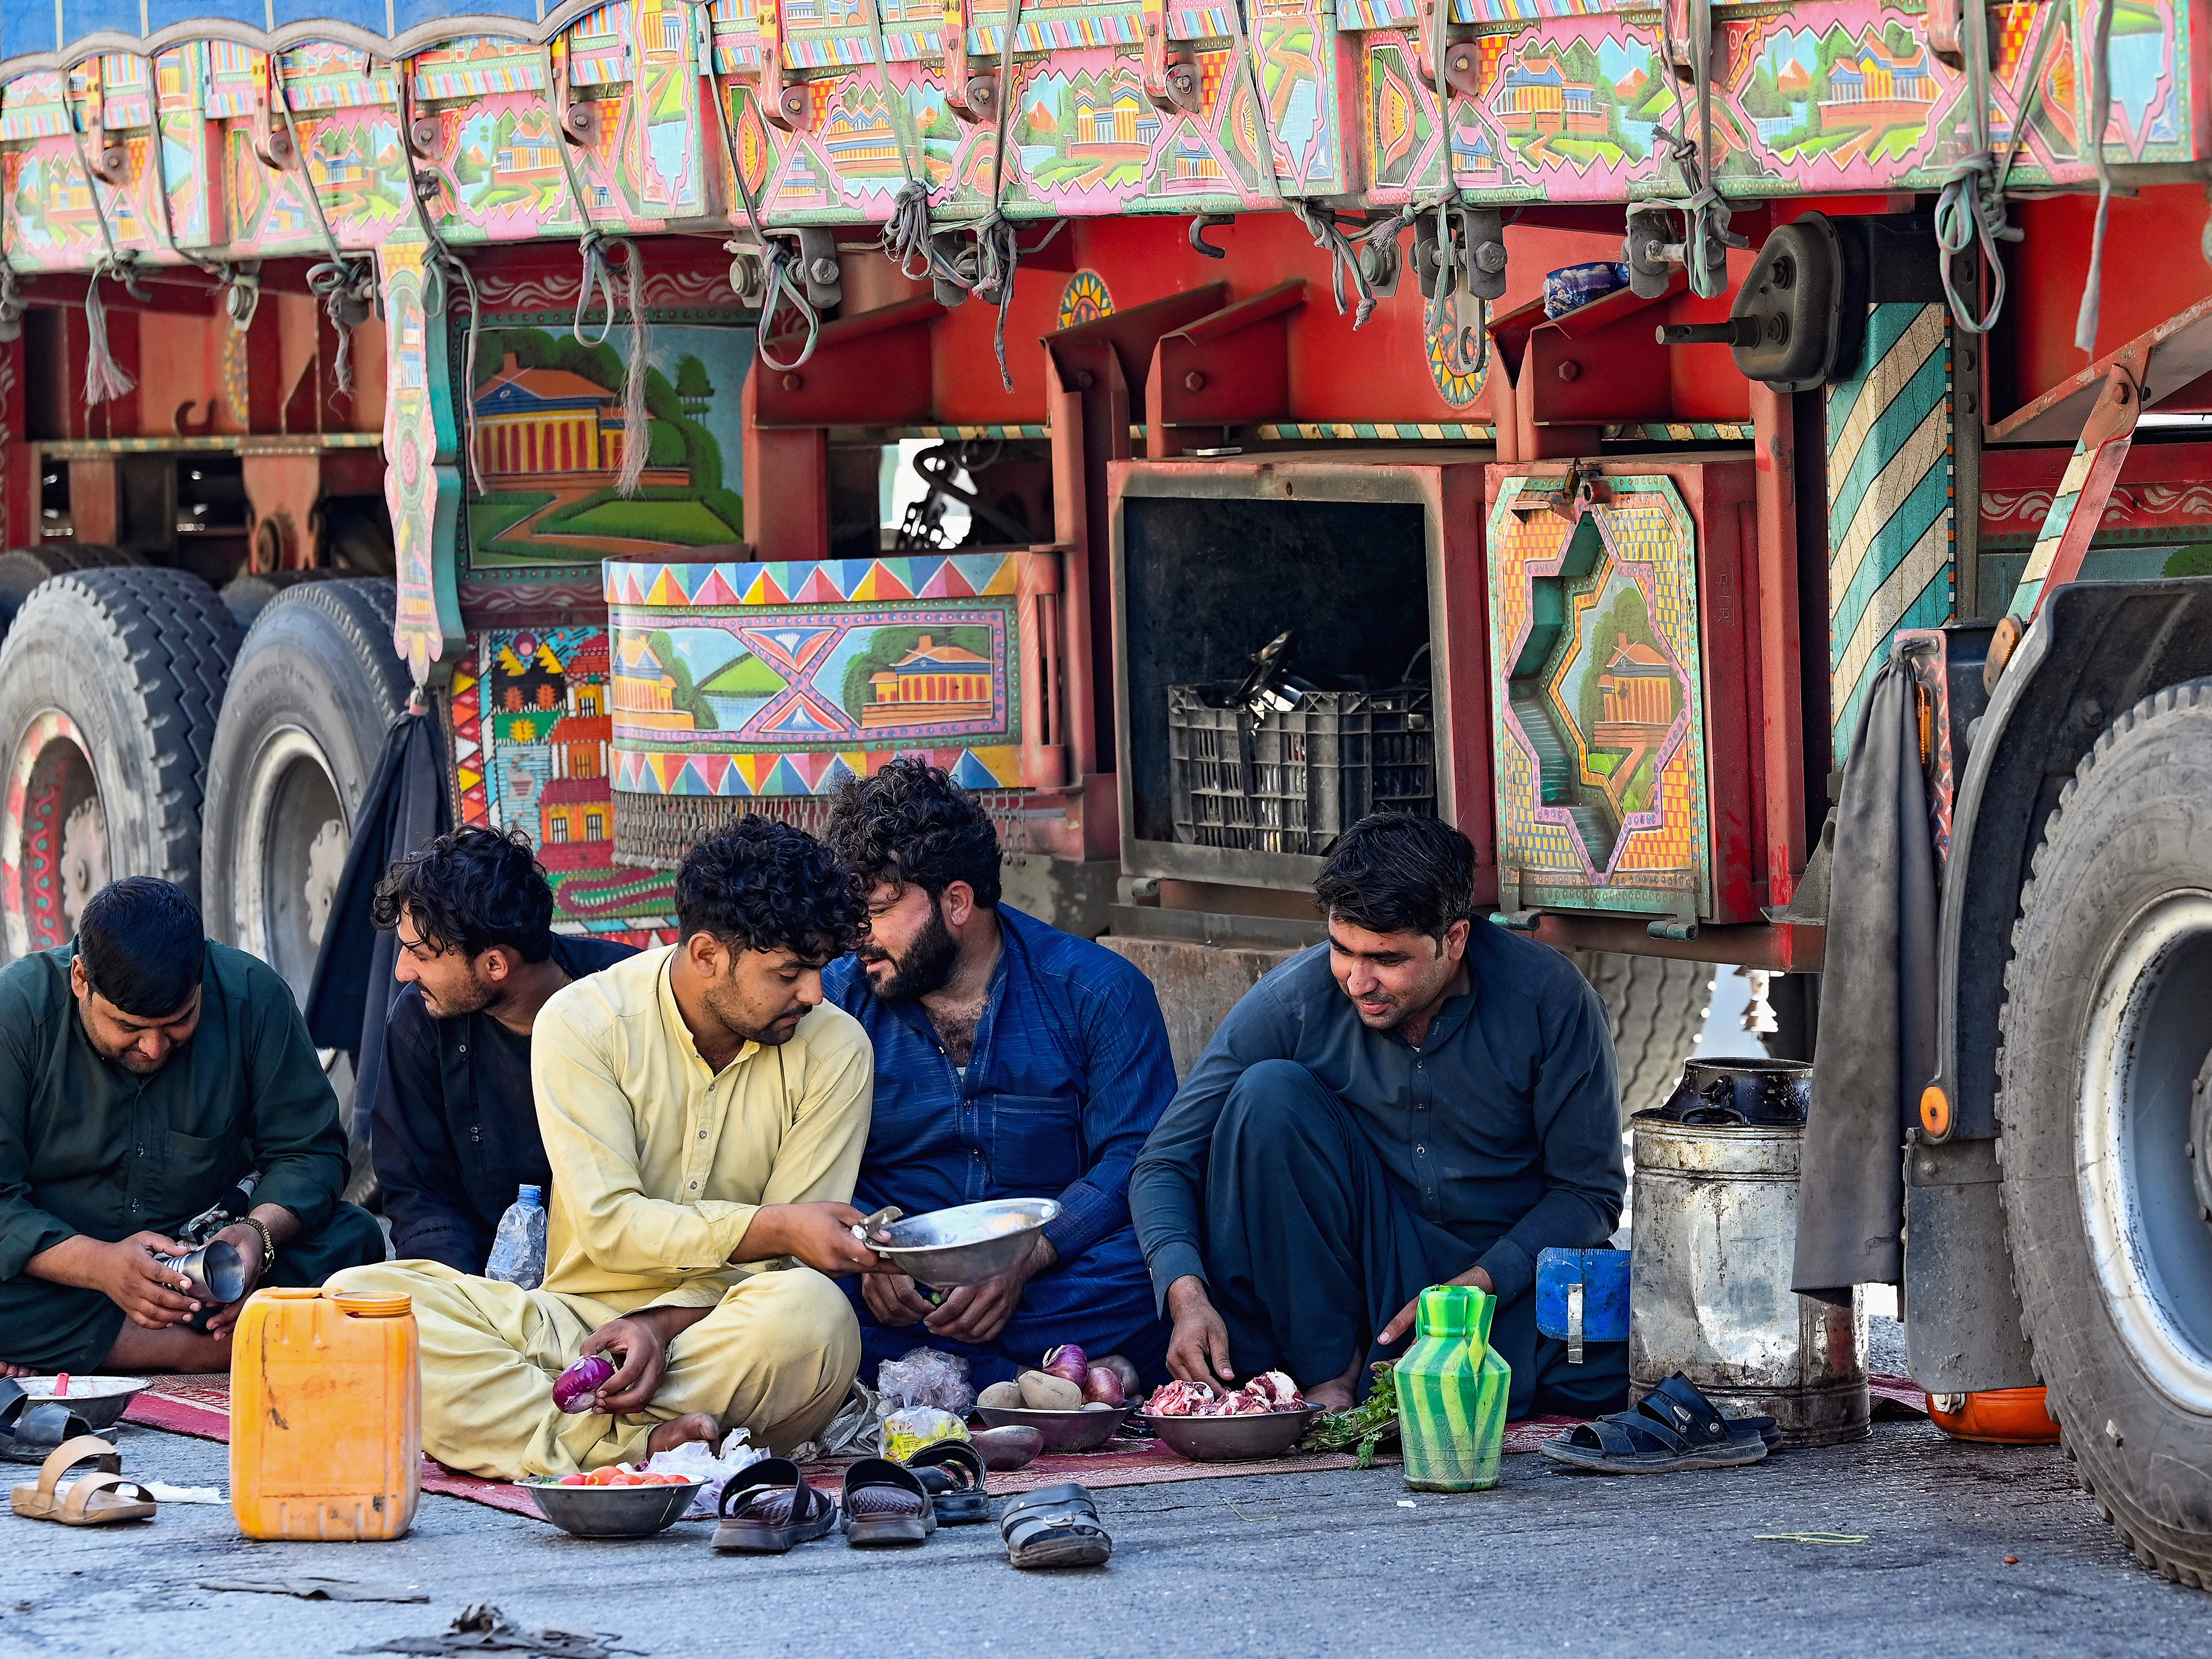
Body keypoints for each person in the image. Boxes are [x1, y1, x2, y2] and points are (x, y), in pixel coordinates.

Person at [329, 815, 891, 1478]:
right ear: (708, 955)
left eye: (820, 969)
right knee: (352, 1302)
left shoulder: (836, 1047)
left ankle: (546, 1430)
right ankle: (639, 1443)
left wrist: (661, 1326)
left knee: (815, 1317)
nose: (814, 993)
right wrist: (772, 1228)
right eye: (790, 972)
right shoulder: (586, 1020)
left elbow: (791, 1262)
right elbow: (608, 1225)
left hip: (720, 1329)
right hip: (572, 1324)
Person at [1128, 812, 1629, 1420]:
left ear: (1455, 940)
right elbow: (1163, 1161)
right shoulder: (1296, 1000)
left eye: (1387, 959)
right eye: (1343, 950)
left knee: (1621, 1372)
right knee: (1269, 1094)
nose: (1357, 980)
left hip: (1495, 1280)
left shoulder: (1553, 1000)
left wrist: (1476, 1286)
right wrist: (1186, 1295)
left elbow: (1588, 1194)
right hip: (1346, 1282)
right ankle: (1326, 1376)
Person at [822, 758, 1176, 1390]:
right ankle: (1058, 1375)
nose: (859, 939)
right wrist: (868, 1250)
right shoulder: (833, 1003)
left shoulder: (1098, 991)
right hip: (893, 1287)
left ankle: (965, 1375)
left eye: (876, 912)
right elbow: (798, 1165)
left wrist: (1028, 1256)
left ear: (957, 901)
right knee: (799, 1292)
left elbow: (1136, 1156)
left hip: (1053, 1273)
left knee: (1166, 1263)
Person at [0, 877, 385, 1378]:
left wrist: (254, 1238)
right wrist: (102, 1266)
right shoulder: (17, 1013)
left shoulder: (252, 996)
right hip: (64, 1270)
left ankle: (99, 1347)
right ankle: (214, 1347)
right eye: (130, 1028)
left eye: (178, 1022)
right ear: (80, 979)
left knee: (354, 1240)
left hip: (205, 1269)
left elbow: (308, 1153)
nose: (155, 1048)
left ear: (201, 977)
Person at [368, 825, 636, 1271]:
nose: (402, 972)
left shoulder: (630, 1000)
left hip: (623, 1269)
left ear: (495, 964)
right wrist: (467, 1299)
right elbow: (419, 1194)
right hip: (479, 1272)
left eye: (419, 953)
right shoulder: (421, 1020)